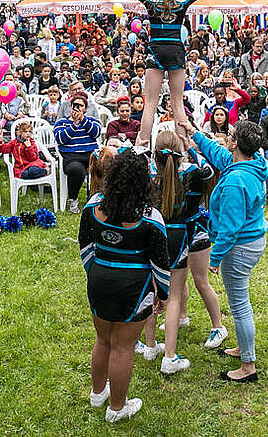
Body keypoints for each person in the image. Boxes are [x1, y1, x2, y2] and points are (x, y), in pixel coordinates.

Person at [93, 0, 245, 147]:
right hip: (175, 51)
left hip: (156, 50)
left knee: (150, 104)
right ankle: (182, 148)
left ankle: (141, 146)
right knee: (178, 104)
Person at [77, 149, 169, 422]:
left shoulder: (93, 206)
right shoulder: (151, 217)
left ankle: (97, 394)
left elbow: (85, 245)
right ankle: (117, 408)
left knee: (103, 339)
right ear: (144, 180)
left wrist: (94, 272)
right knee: (123, 347)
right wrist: (162, 295)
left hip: (99, 280)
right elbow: (161, 265)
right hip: (134, 287)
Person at [184, 118, 268, 383]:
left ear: (235, 143)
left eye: (230, 136)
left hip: (241, 246)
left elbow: (231, 228)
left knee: (240, 305)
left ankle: (248, 366)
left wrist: (216, 257)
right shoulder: (248, 163)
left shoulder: (236, 181)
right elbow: (218, 154)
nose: (227, 139)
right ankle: (244, 348)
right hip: (250, 241)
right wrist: (195, 134)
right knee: (239, 300)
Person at [148, 130, 215, 375]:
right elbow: (209, 169)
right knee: (174, 295)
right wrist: (192, 148)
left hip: (153, 233)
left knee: (152, 290)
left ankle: (150, 344)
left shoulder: (149, 176)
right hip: (178, 235)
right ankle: (170, 356)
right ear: (179, 153)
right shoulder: (191, 174)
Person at [54, 92, 102, 213]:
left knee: (106, 166)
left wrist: (82, 120)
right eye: (75, 105)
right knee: (77, 170)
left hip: (90, 155)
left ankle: (99, 199)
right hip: (71, 156)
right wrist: (74, 125)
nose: (78, 108)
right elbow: (60, 139)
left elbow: (96, 133)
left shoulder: (91, 120)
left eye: (81, 106)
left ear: (85, 109)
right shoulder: (62, 122)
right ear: (70, 107)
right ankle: (73, 199)